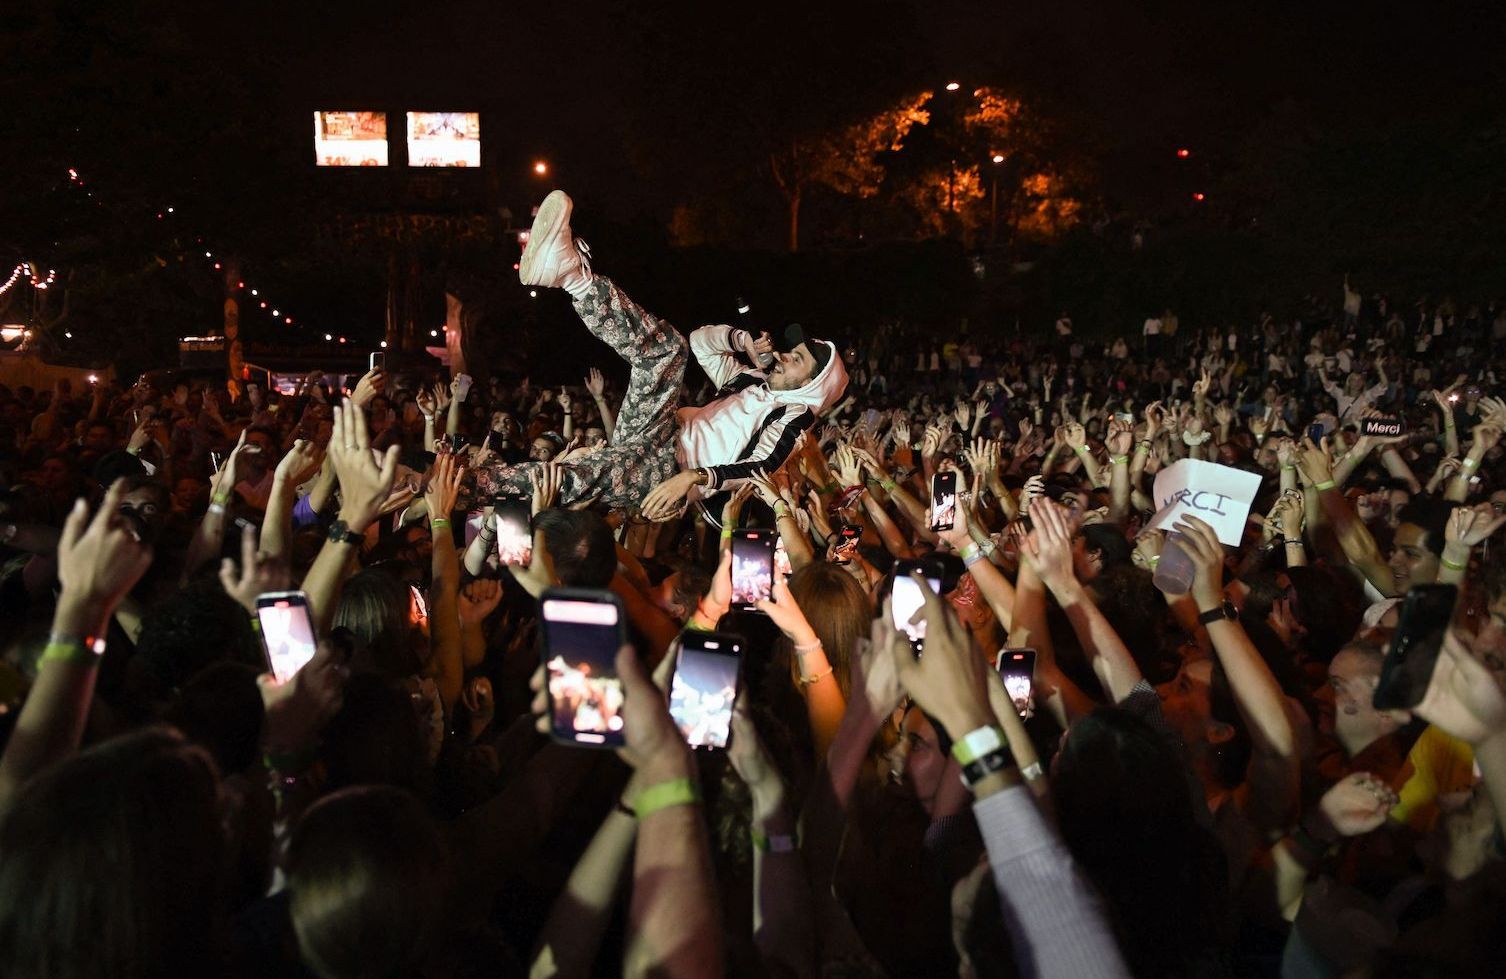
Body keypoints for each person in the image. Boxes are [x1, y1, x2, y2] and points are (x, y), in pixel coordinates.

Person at [482, 190, 848, 519]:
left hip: (671, 471)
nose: (783, 357)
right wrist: (741, 341)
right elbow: (700, 342)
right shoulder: (751, 381)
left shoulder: (795, 413)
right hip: (661, 428)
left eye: (796, 360)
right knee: (668, 350)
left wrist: (693, 478)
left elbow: (762, 464)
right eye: (790, 352)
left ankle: (473, 484)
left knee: (575, 479)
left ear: (812, 385)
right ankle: (571, 275)